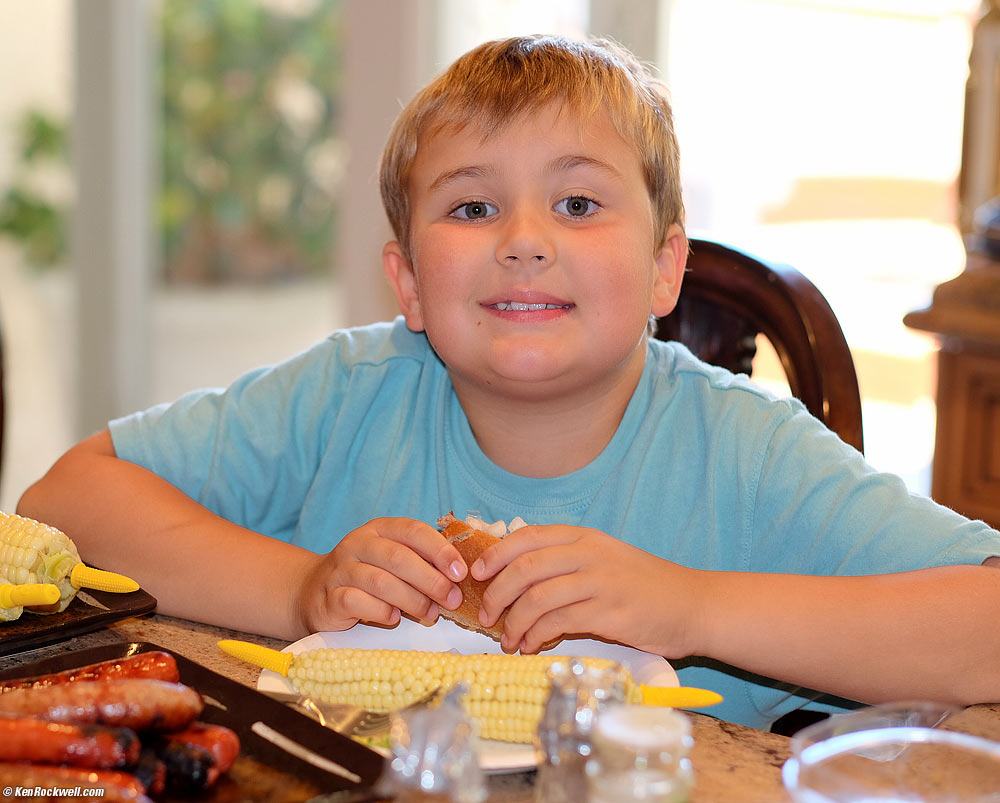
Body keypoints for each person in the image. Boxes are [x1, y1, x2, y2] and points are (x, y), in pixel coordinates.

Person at [18, 35, 1000, 731]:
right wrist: (304, 588)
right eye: (473, 205)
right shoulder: (350, 393)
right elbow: (63, 499)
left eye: (577, 202)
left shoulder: (747, 454)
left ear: (665, 268)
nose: (525, 241)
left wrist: (690, 606)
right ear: (406, 280)